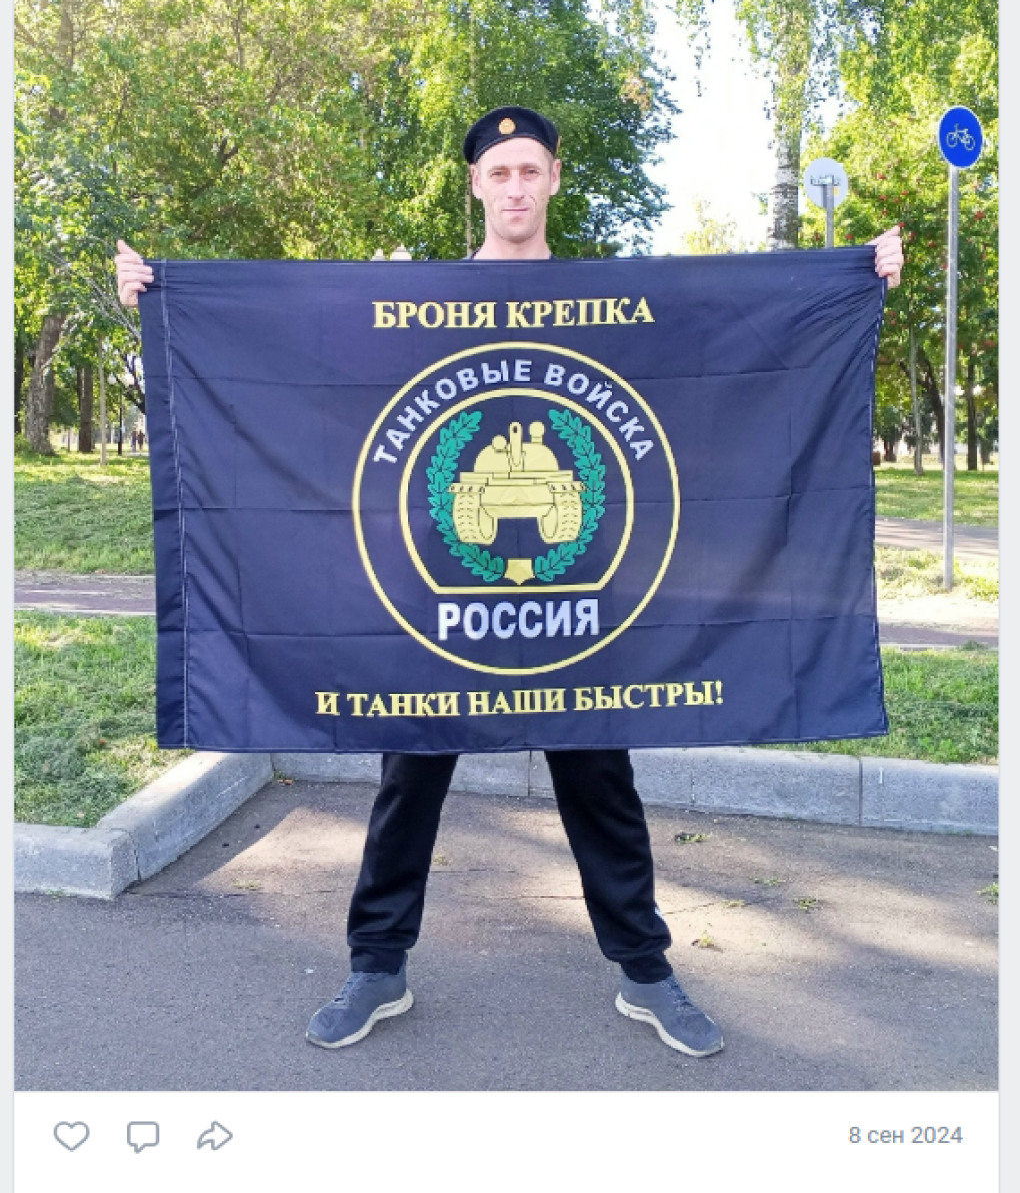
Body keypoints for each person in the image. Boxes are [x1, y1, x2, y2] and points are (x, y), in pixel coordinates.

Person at [114, 106, 904, 1059]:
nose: (517, 188)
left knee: (598, 775)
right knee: (409, 775)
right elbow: (306, 359)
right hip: (433, 602)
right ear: (478, 187)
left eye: (532, 171)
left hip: (585, 612)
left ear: (556, 180)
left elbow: (728, 339)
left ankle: (646, 969)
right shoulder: (417, 302)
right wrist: (163, 301)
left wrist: (851, 280)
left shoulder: (606, 297)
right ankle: (377, 965)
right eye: (500, 173)